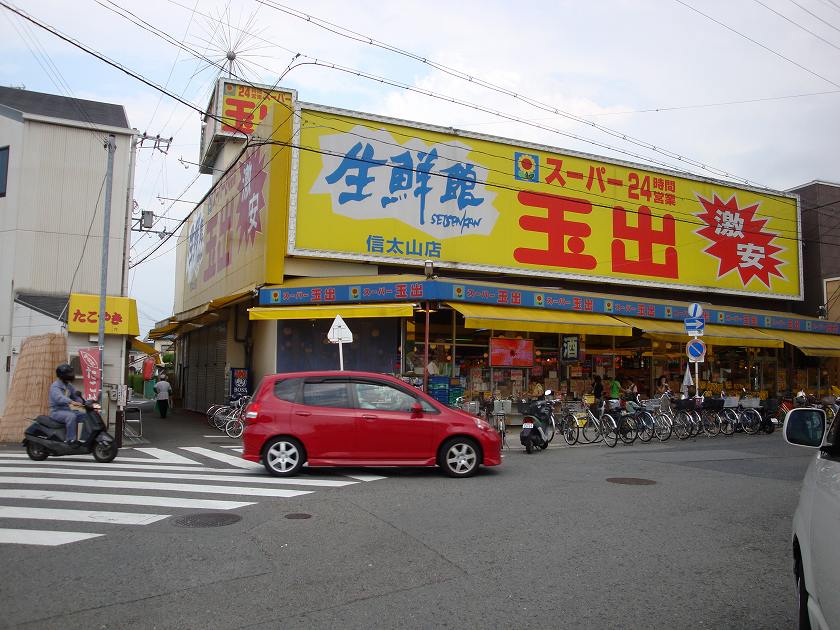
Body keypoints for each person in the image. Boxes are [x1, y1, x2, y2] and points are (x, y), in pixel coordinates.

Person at [48, 363, 90, 444]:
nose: (71, 375)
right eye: (69, 373)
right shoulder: (55, 386)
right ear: (62, 375)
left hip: (67, 410)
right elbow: (59, 398)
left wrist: (84, 402)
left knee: (85, 415)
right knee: (71, 416)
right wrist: (71, 401)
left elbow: (76, 395)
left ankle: (86, 439)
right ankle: (70, 440)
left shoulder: (68, 385)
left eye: (71, 373)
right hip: (56, 411)